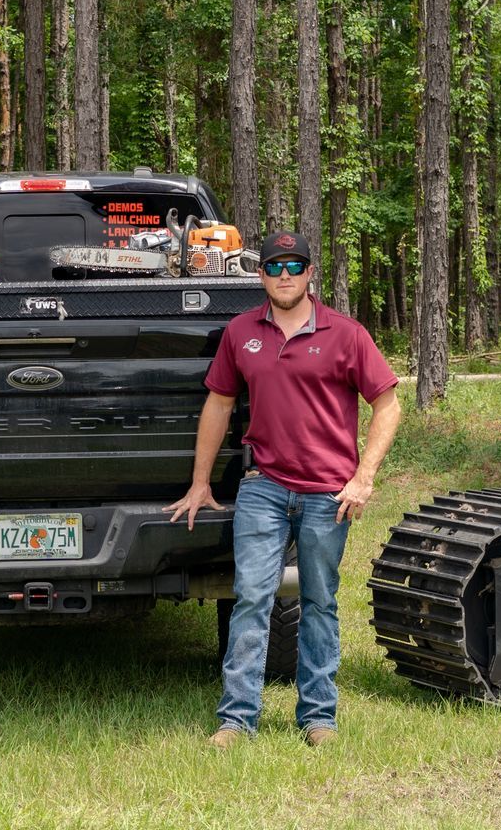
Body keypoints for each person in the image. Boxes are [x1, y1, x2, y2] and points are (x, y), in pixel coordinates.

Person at [163, 229, 401, 748]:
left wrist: (364, 478)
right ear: (261, 275)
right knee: (251, 598)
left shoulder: (345, 332)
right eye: (275, 267)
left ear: (311, 273)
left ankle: (318, 719)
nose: (285, 276)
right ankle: (237, 721)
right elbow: (219, 405)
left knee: (319, 601)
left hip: (327, 495)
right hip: (263, 489)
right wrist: (200, 482)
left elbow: (387, 403)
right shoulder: (240, 332)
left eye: (295, 267)